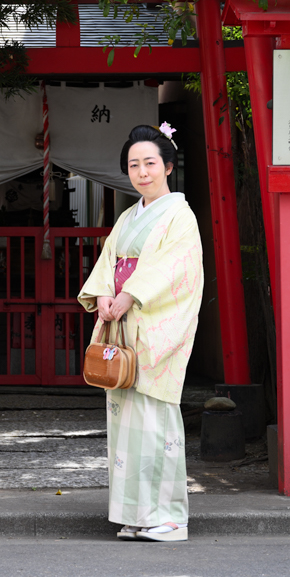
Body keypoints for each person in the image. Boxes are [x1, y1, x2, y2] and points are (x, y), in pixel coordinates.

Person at [78, 123, 204, 543]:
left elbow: (174, 271)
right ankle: (135, 515)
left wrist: (129, 295)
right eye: (134, 165)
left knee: (155, 422)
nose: (142, 171)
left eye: (150, 163)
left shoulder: (180, 217)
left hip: (152, 328)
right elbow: (107, 264)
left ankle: (169, 517)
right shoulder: (129, 217)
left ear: (168, 166)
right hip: (122, 323)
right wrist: (101, 297)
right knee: (125, 425)